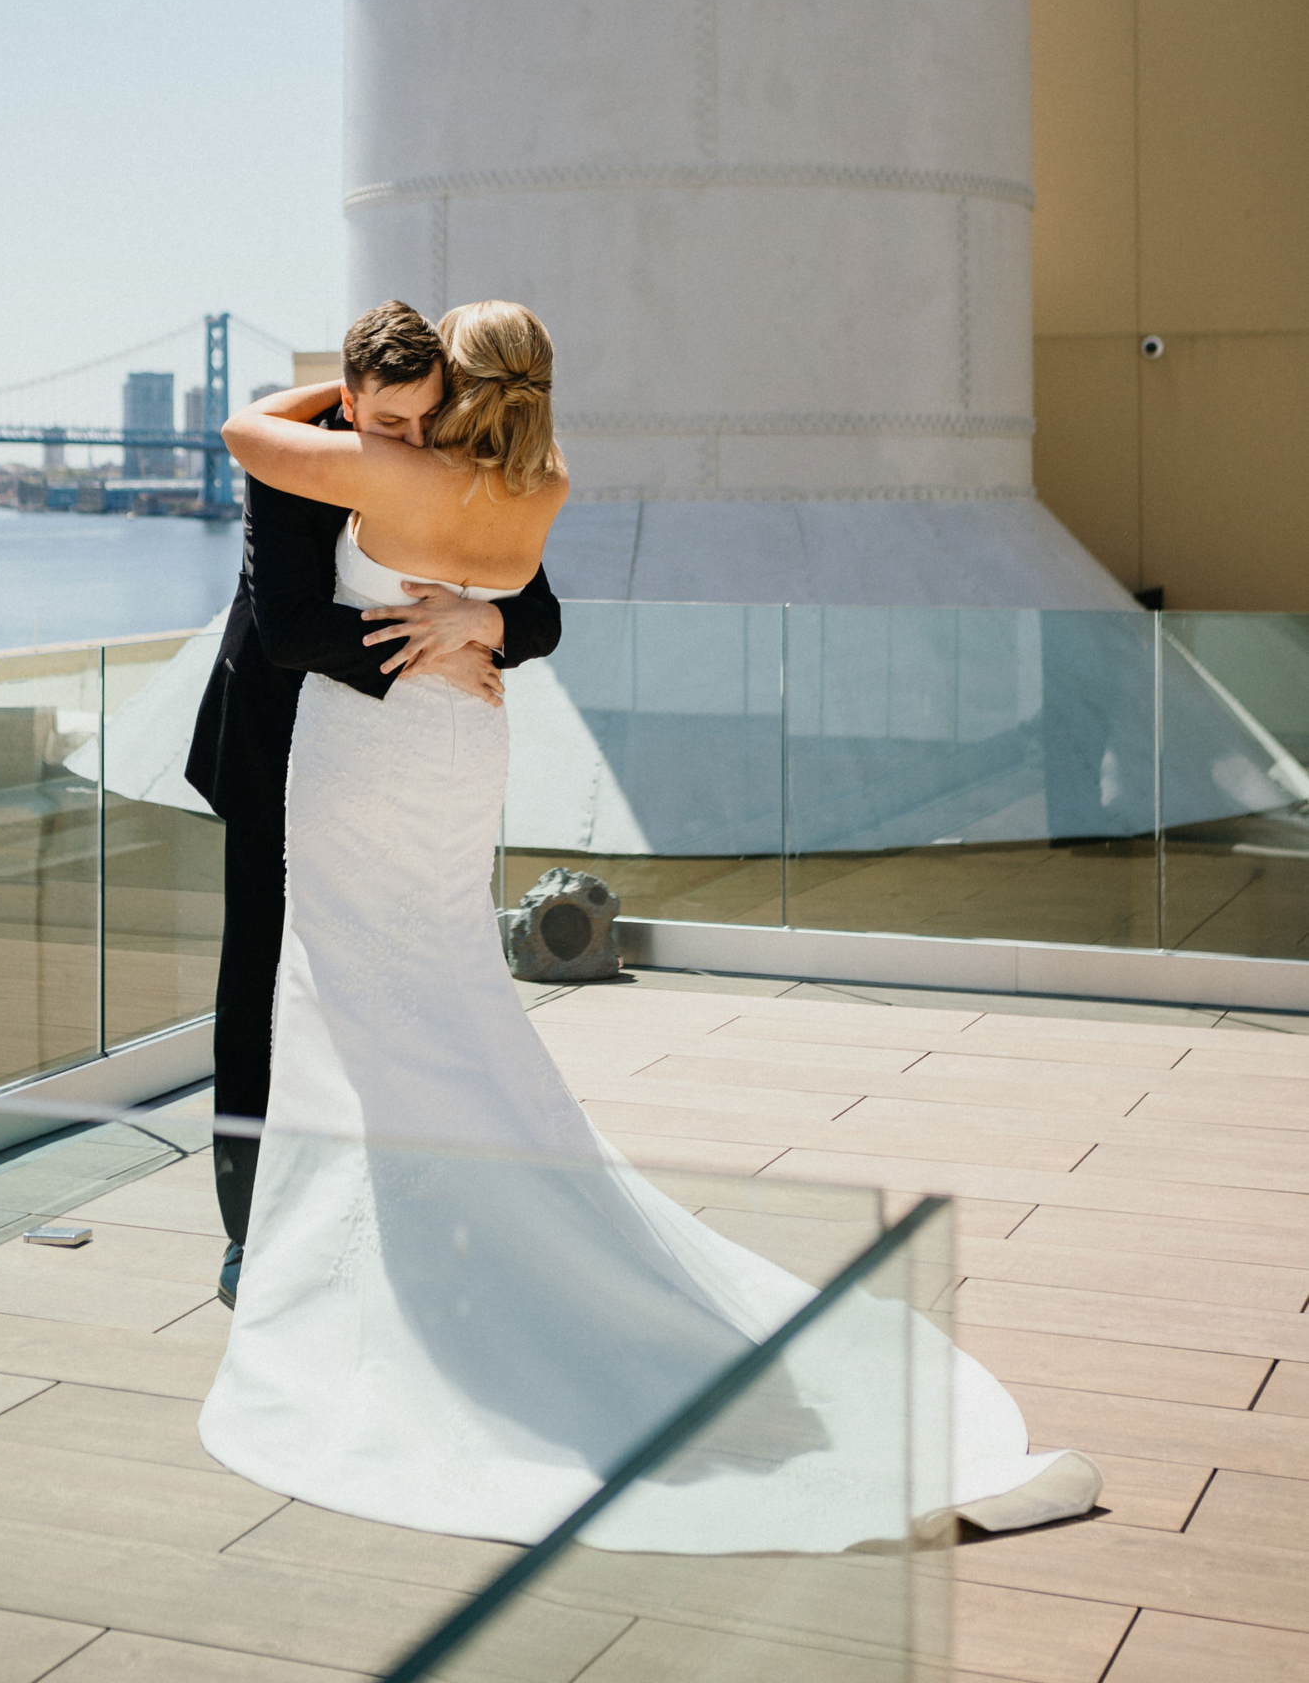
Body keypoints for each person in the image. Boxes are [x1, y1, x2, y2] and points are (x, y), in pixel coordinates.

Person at [196, 297, 1102, 1554]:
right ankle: (410, 1220)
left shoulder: (371, 463)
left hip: (370, 760)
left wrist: (325, 408)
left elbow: (245, 438)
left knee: (353, 997)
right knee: (445, 995)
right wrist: (484, 619)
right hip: (461, 752)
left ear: (452, 390)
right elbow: (523, 604)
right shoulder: (539, 478)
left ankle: (349, 1261)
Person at [183, 299, 561, 1302]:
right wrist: (434, 650)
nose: (408, 443)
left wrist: (480, 620)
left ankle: (392, 1188)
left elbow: (542, 608)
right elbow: (291, 631)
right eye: (384, 423)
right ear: (348, 401)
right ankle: (245, 1222)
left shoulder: (452, 453)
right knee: (260, 985)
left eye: (423, 421)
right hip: (278, 751)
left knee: (391, 973)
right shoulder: (302, 457)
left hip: (394, 763)